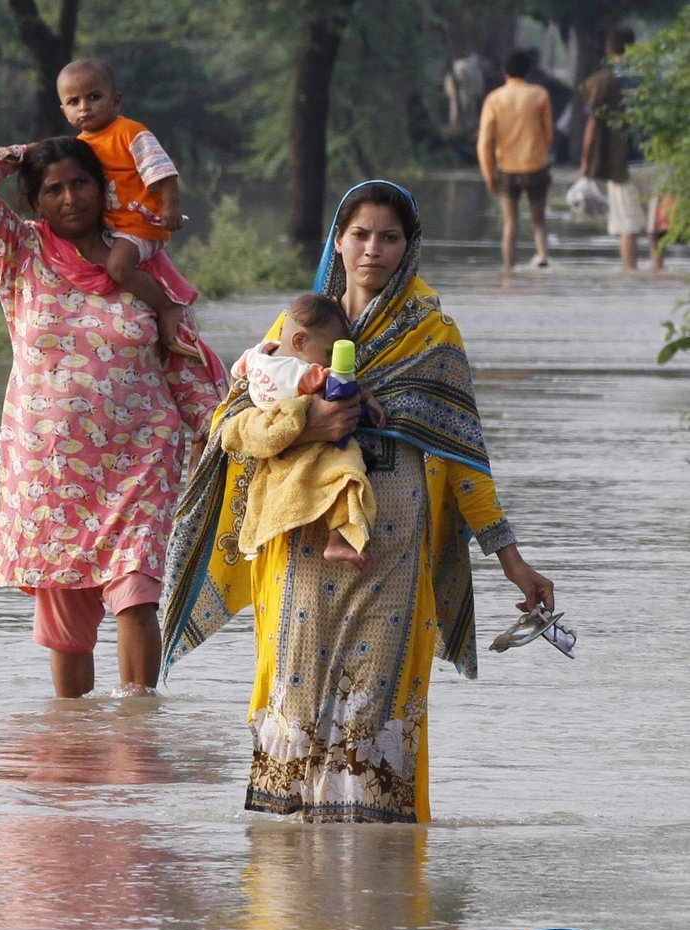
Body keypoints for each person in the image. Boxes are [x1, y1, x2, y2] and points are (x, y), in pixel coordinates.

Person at [160, 180, 555, 824]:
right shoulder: (298, 325)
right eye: (360, 235)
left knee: (376, 708)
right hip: (301, 541)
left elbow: (463, 462)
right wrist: (308, 424)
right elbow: (226, 427)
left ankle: (377, 892)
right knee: (297, 700)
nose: (373, 249)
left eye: (389, 237)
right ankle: (293, 896)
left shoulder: (433, 336)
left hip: (394, 548)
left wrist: (512, 559)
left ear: (410, 246)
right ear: (338, 242)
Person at [0, 137, 227, 699]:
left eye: (82, 182)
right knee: (67, 630)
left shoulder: (145, 264)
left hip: (141, 461)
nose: (70, 197)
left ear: (104, 189)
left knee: (137, 595)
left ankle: (137, 730)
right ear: (34, 201)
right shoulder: (18, 255)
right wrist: (39, 147)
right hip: (51, 474)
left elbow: (185, 366)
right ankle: (72, 745)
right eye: (53, 189)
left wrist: (224, 435)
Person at [228, 291, 385, 570]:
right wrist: (366, 397)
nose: (329, 362)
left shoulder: (258, 354)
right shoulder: (304, 373)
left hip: (273, 435)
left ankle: (255, 536)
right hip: (298, 428)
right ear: (299, 341)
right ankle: (338, 539)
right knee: (347, 472)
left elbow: (237, 375)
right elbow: (340, 385)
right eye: (328, 353)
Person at [57, 57, 185, 344]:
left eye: (93, 97)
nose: (84, 107)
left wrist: (171, 206)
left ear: (115, 101)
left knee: (118, 268)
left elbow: (163, 171)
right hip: (110, 226)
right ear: (64, 110)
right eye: (74, 102)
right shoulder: (80, 146)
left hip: (139, 224)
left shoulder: (131, 133)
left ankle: (167, 306)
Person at [476, 48, 553, 270]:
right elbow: (548, 133)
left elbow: (484, 142)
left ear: (505, 72)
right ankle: (543, 257)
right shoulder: (540, 95)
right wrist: (540, 152)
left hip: (507, 170)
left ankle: (509, 268)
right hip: (536, 166)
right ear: (528, 71)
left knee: (510, 224)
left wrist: (489, 175)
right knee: (538, 220)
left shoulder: (494, 98)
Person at [579, 26, 649, 270]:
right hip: (658, 160)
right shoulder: (651, 76)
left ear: (609, 50)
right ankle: (658, 269)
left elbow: (592, 123)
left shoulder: (605, 80)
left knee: (628, 228)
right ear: (635, 46)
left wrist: (586, 162)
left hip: (622, 164)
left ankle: (630, 278)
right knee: (657, 226)